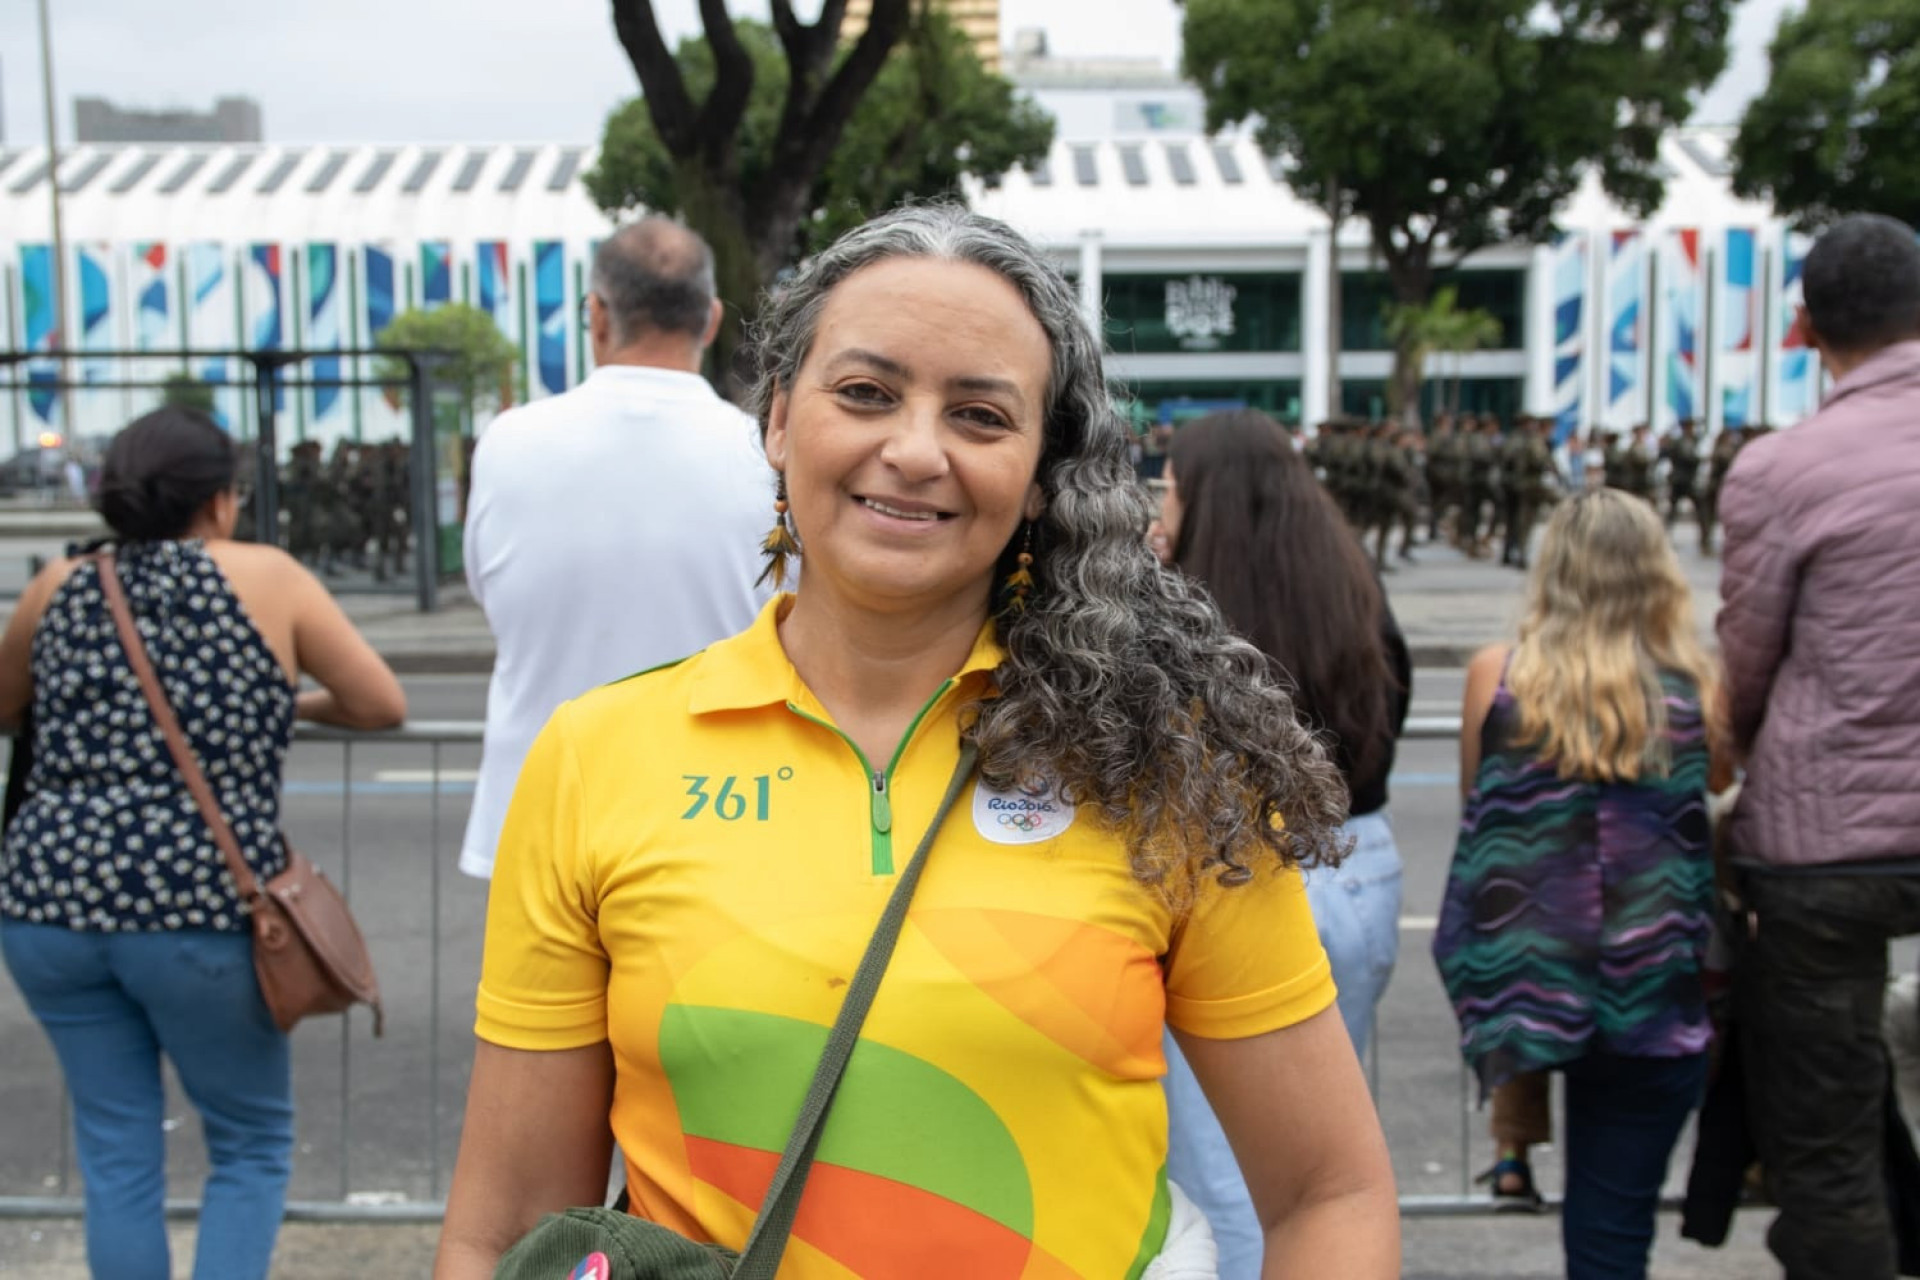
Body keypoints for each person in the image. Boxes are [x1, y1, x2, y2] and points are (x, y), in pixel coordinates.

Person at [434, 206, 1400, 1279]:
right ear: (779, 419)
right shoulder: (593, 756)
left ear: (1041, 472)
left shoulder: (1164, 759)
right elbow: (505, 1225)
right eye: (865, 393)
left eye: (981, 415)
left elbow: (1329, 1191)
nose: (914, 449)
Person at [0, 406, 407, 1280]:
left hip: (48, 909)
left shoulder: (60, 583)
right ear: (220, 502)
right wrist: (278, 702)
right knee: (251, 1140)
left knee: (116, 1152)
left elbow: (7, 706)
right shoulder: (268, 578)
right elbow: (380, 703)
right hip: (200, 909)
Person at [1435, 488, 1723, 1279]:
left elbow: (1478, 807)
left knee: (1533, 1060)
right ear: (1657, 576)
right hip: (1656, 983)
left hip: (1525, 977)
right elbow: (1717, 791)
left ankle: (1513, 1152)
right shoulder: (1695, 689)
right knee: (1611, 1228)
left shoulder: (1497, 676)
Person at [1152, 407, 1411, 1280]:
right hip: (1358, 861)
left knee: (1227, 1165)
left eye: (1171, 487)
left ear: (1203, 498)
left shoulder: (1181, 616)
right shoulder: (1349, 583)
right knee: (1325, 1158)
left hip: (1237, 876)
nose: (1160, 503)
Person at [1716, 212, 1920, 1280]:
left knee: (1828, 1140)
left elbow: (1743, 663)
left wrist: (1729, 758)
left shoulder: (1782, 467)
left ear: (1805, 326)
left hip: (1827, 845)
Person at [458, 218, 771, 880]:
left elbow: (492, 594)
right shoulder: (767, 454)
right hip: (715, 814)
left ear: (596, 316)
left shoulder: (509, 444)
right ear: (711, 320)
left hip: (538, 814)